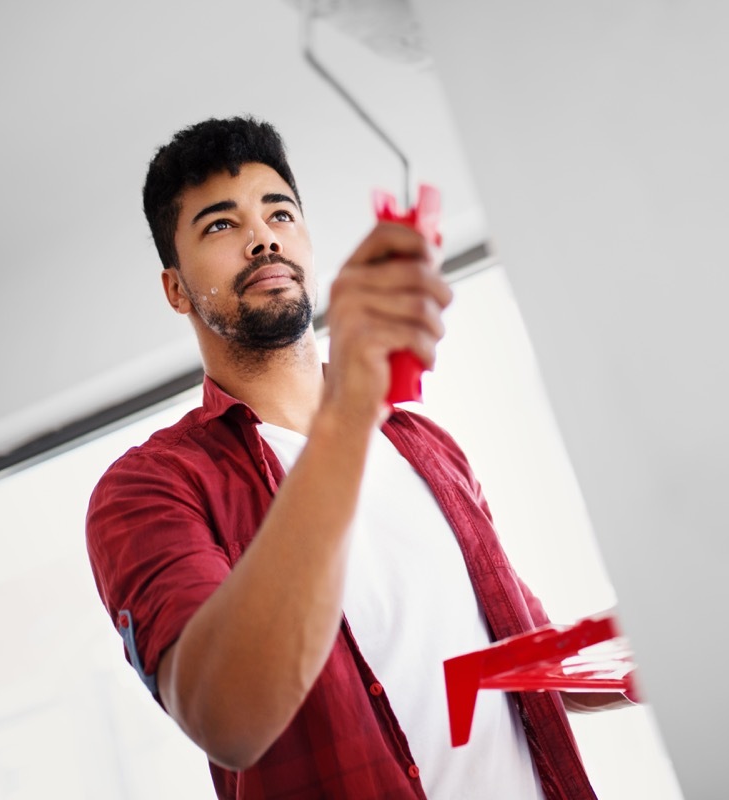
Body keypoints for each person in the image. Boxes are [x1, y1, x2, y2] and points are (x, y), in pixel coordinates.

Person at [86, 115, 625, 800]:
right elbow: (230, 716)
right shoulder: (150, 489)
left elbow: (520, 653)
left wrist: (651, 649)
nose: (263, 236)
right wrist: (351, 406)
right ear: (175, 288)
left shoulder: (425, 446)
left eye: (279, 212)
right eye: (221, 226)